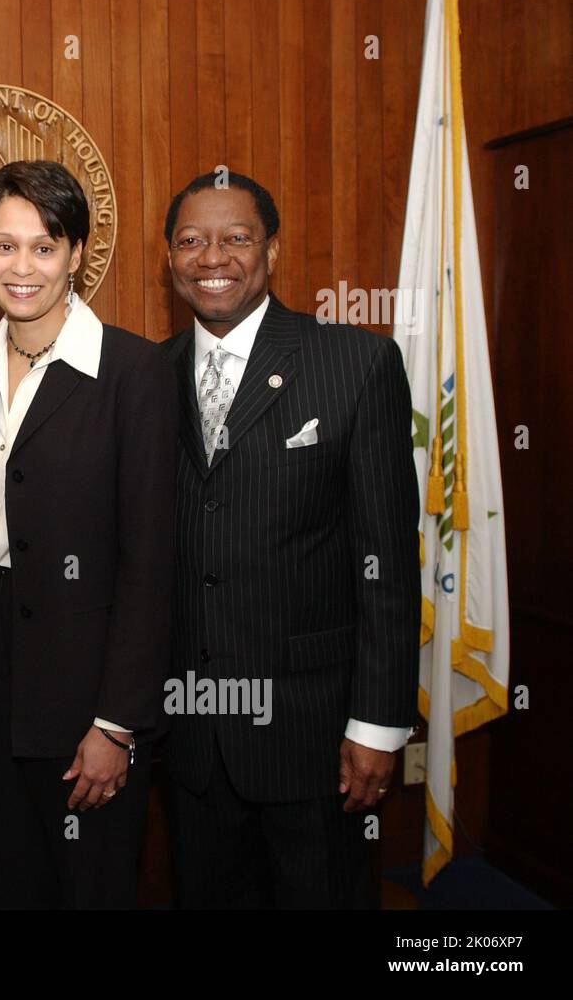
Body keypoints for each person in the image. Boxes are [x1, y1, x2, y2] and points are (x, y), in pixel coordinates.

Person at [160, 170, 419, 908]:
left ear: (271, 251)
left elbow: (387, 565)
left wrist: (377, 722)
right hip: (193, 741)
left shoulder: (354, 364)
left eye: (237, 237)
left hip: (314, 740)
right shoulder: (148, 374)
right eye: (192, 240)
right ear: (169, 258)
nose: (214, 255)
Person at [0, 160, 177, 908]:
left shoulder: (134, 372)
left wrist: (117, 721)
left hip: (86, 697)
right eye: (5, 246)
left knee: (90, 889)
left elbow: (152, 562)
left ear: (77, 253)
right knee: (7, 886)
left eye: (44, 247)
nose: (22, 266)